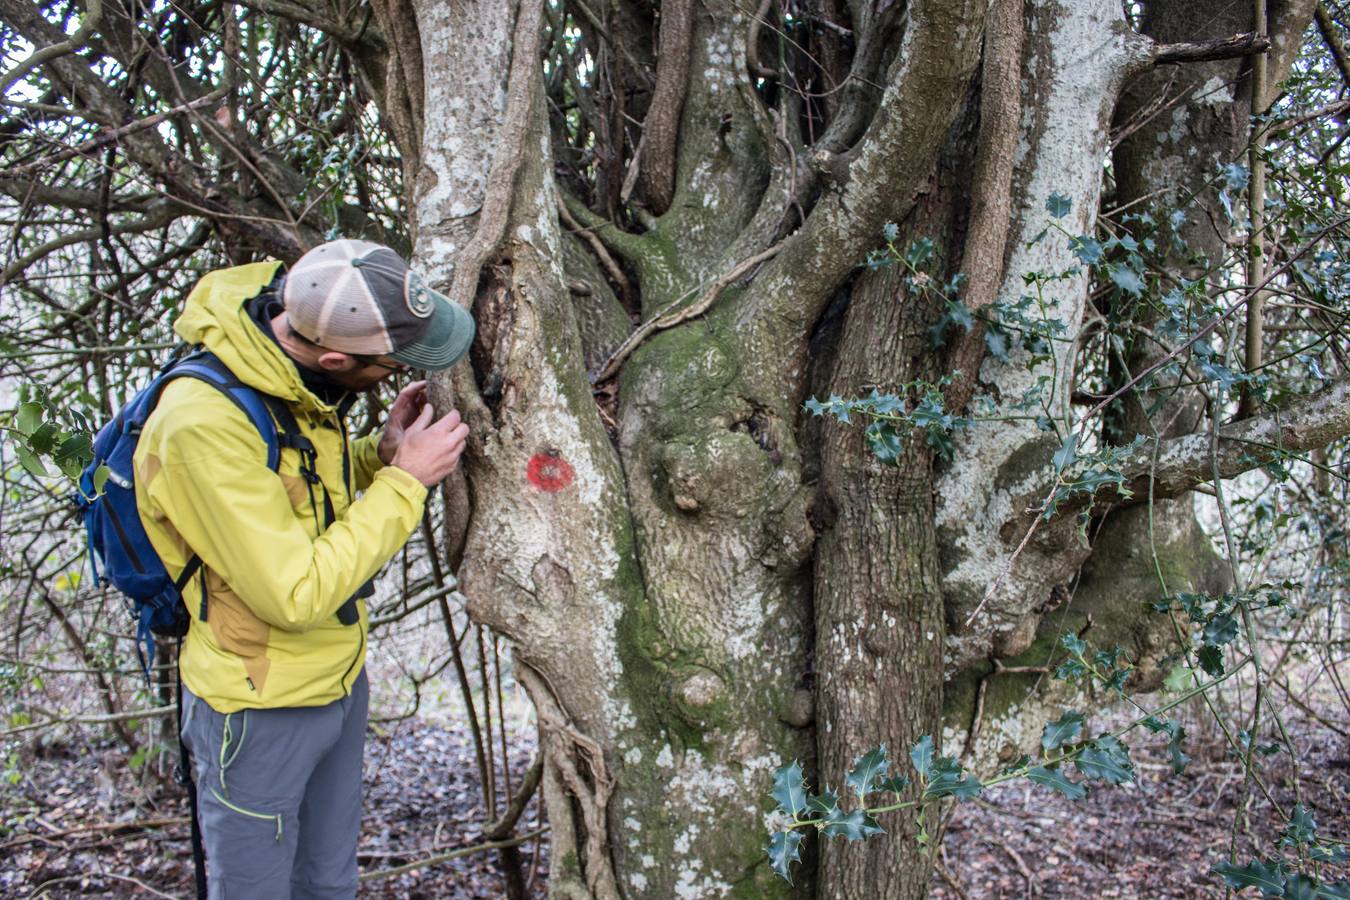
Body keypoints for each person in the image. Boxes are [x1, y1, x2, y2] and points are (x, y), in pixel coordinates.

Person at [134, 238, 474, 898]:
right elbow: (292, 591)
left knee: (327, 882)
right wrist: (405, 483)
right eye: (389, 365)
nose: (396, 372)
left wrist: (378, 460)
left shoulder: (291, 377)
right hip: (258, 708)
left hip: (336, 683)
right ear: (336, 357)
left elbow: (293, 500)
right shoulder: (200, 427)